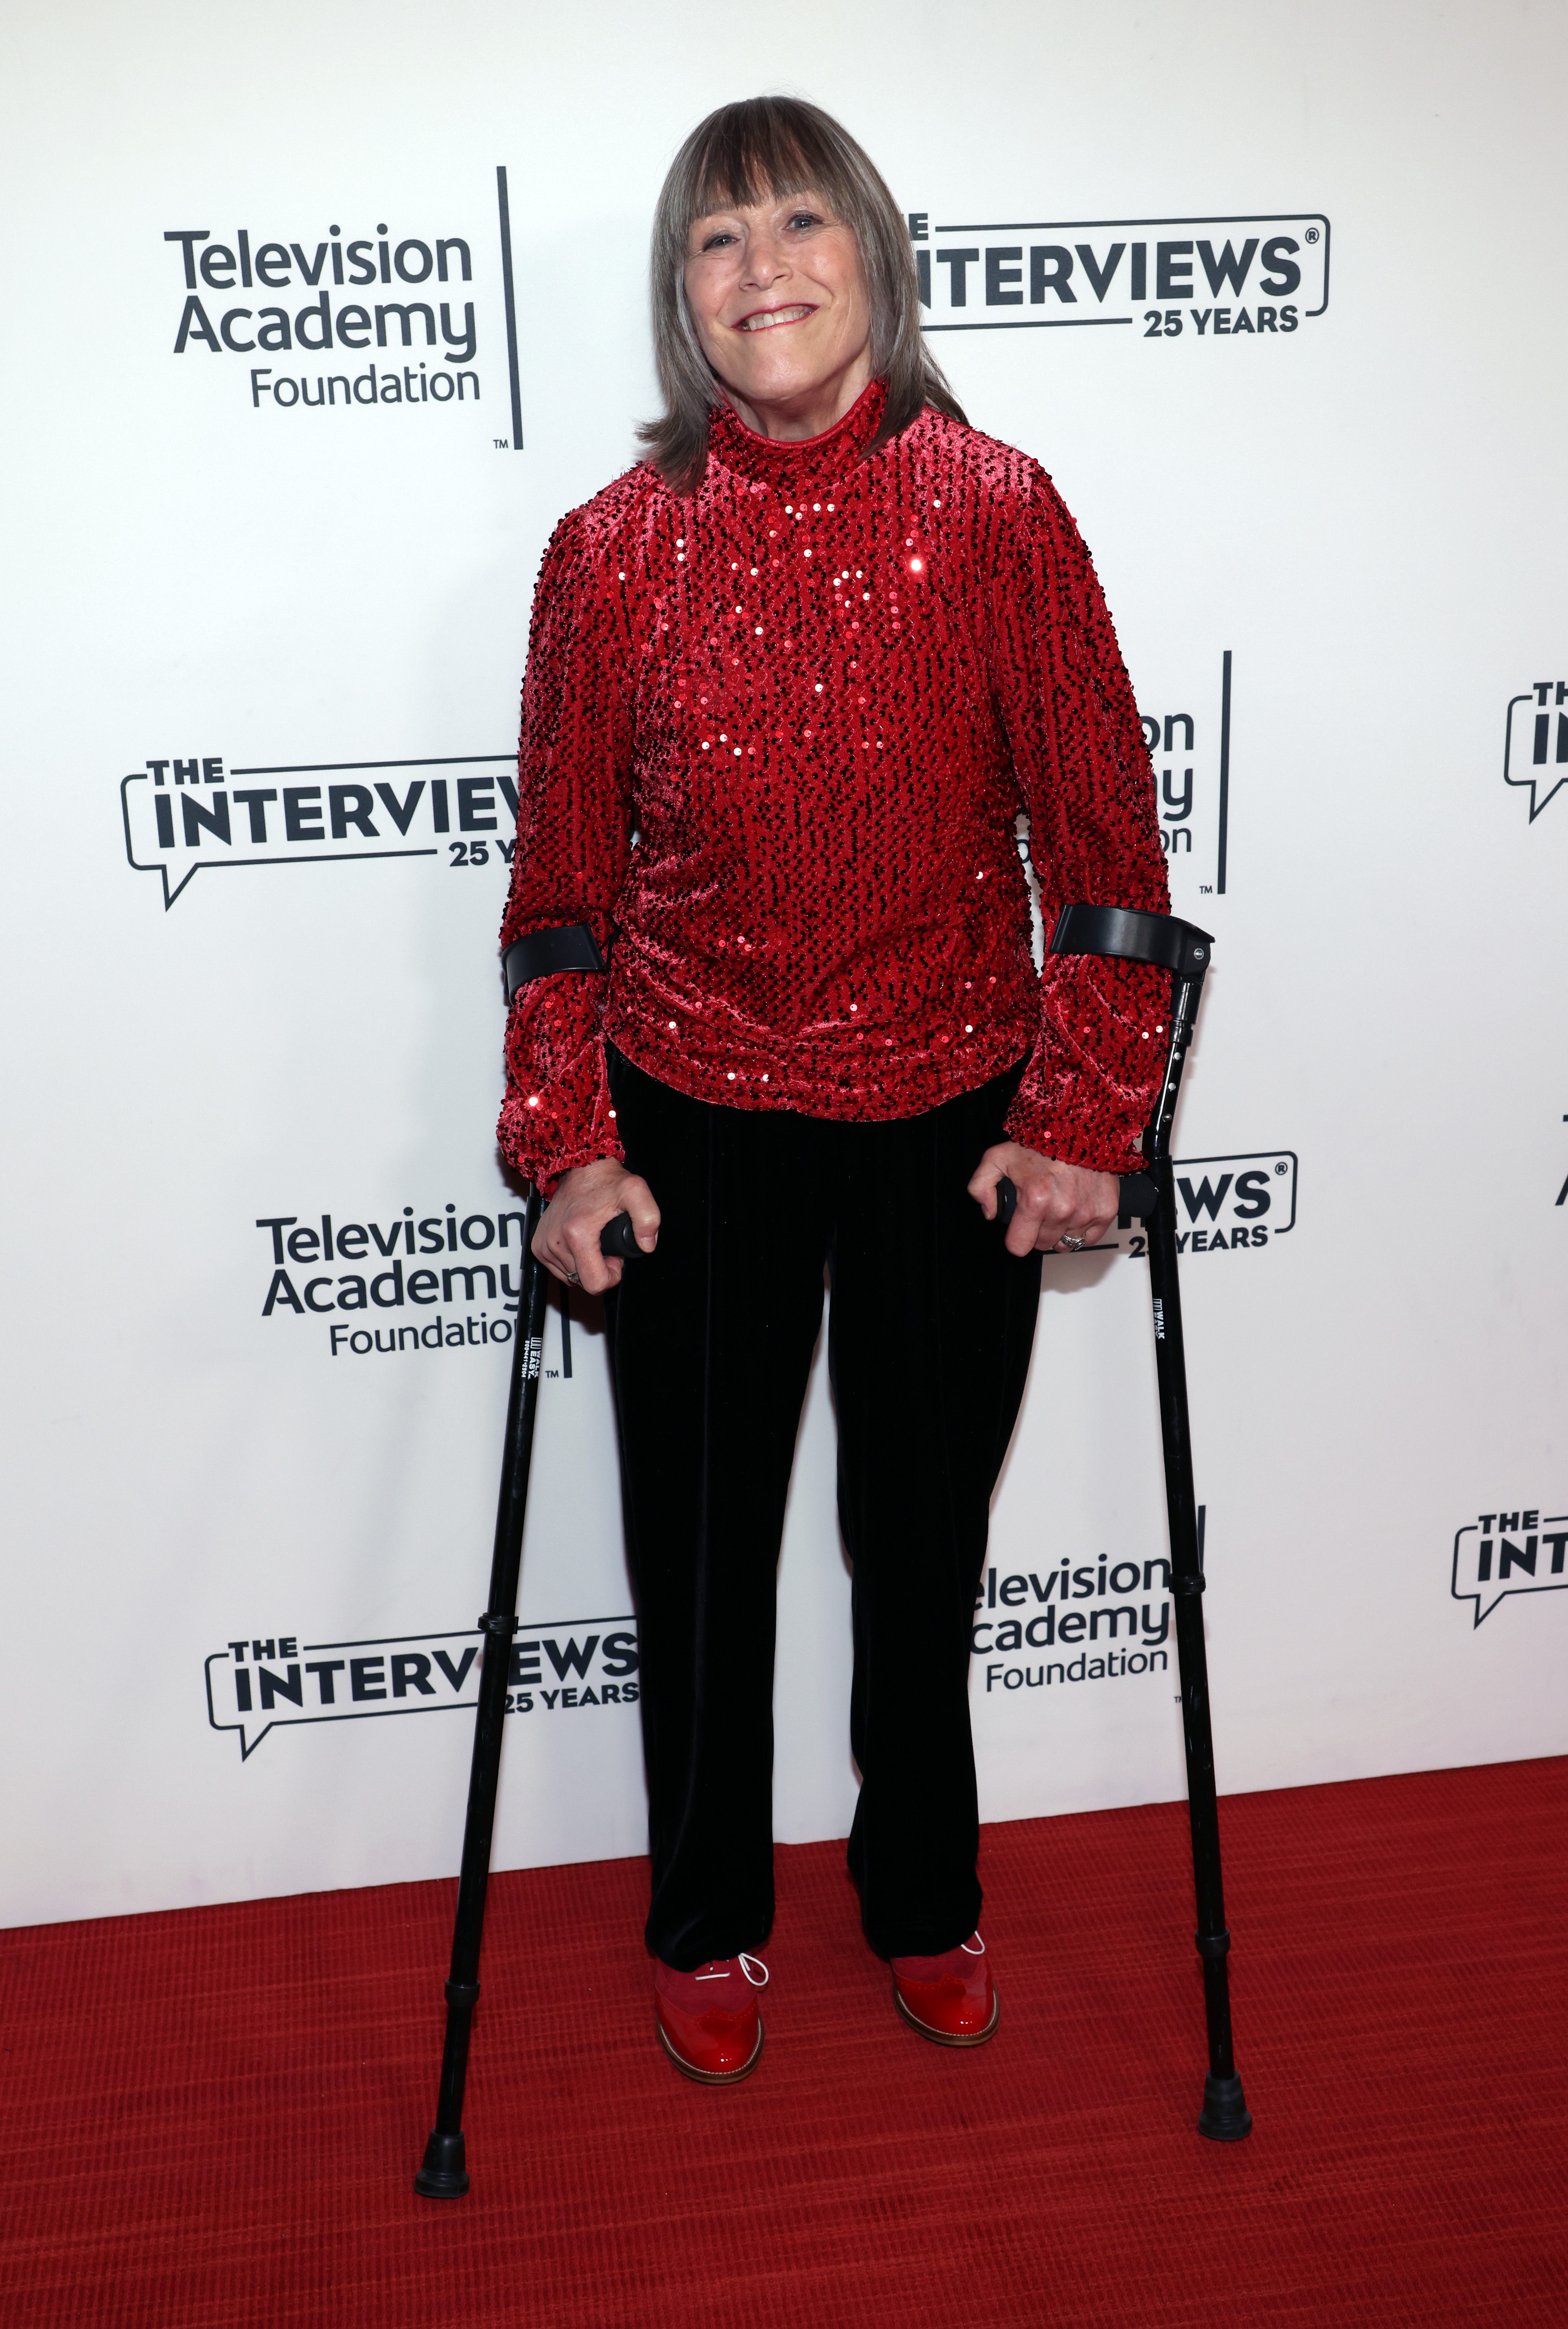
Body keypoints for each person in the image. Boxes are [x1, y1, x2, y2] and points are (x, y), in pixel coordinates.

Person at [497, 95, 1169, 2085]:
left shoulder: (997, 510)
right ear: (678, 292)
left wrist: (1084, 1120)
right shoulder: (610, 552)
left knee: (921, 1541)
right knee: (698, 1558)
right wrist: (569, 1141)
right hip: (690, 1107)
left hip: (952, 1117)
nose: (764, 268)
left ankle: (922, 1889)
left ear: (875, 253)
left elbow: (1107, 849)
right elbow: (557, 895)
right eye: (719, 237)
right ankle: (705, 1911)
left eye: (802, 222)